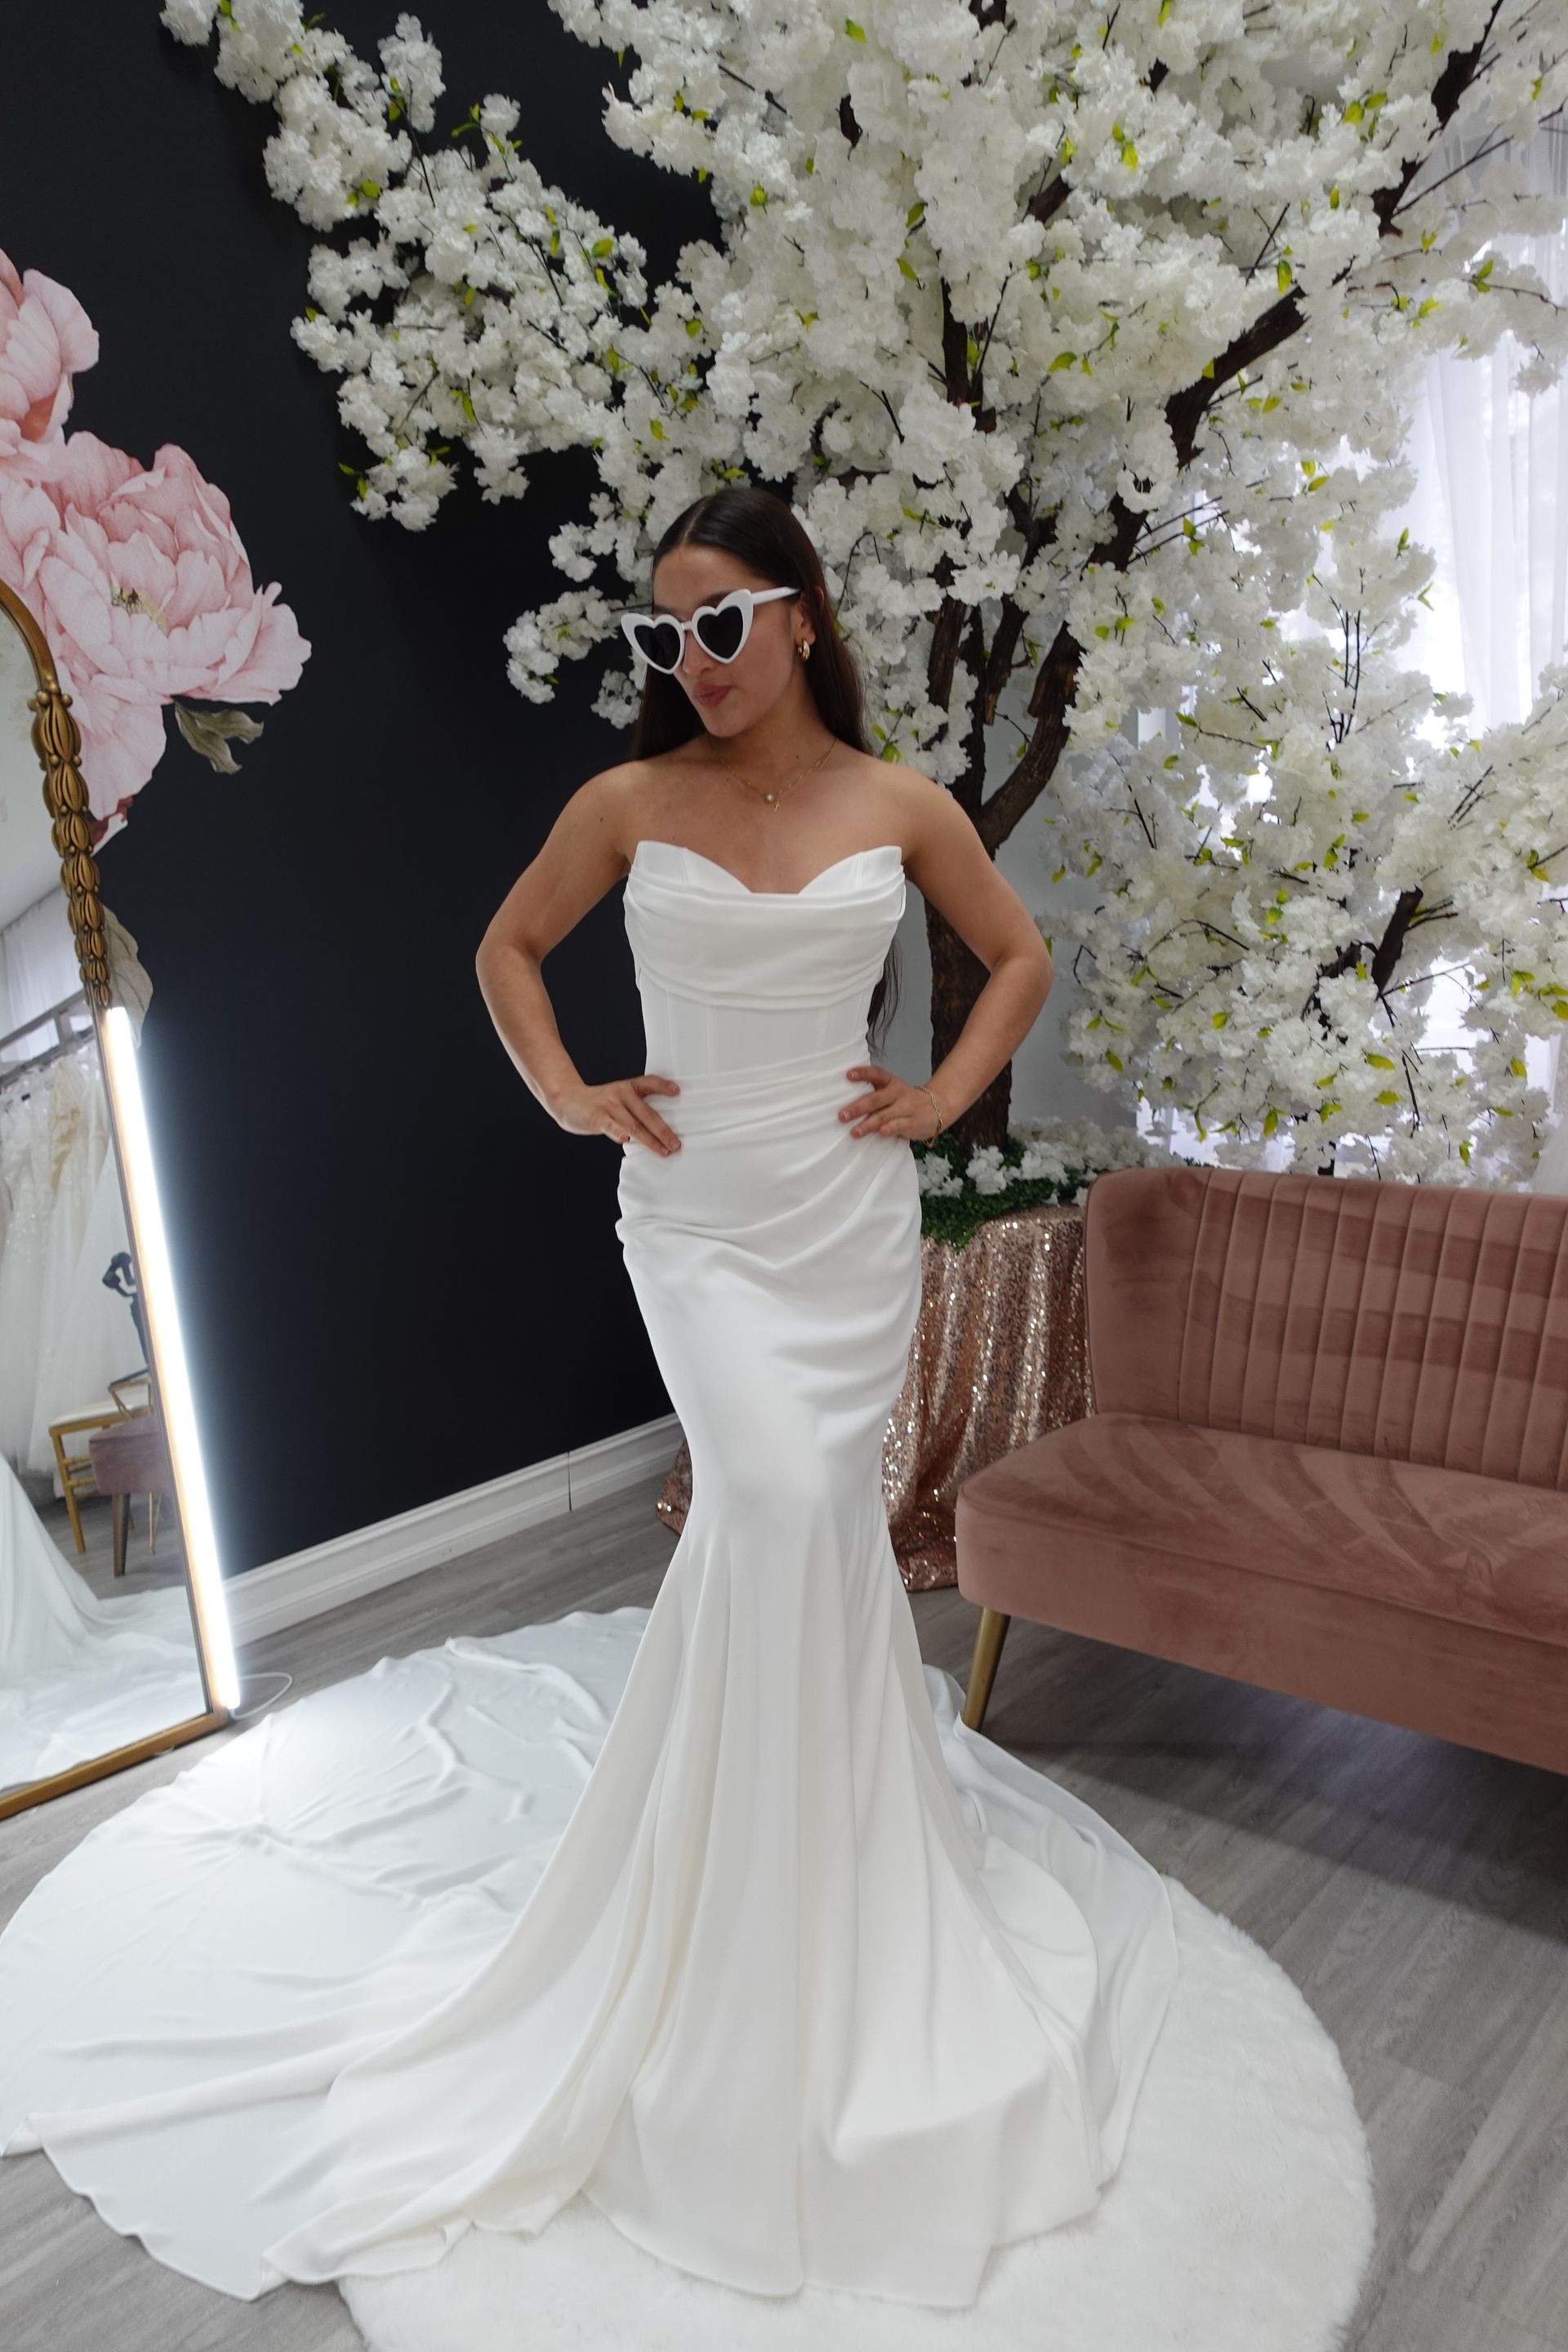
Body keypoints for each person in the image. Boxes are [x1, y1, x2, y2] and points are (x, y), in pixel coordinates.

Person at [0, 488, 1177, 2314]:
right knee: (777, 1507)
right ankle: (730, 1925)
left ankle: (820, 1877)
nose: (688, 663)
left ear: (800, 620)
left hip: (847, 1219)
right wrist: (570, 1098)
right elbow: (504, 955)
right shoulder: (628, 807)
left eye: (718, 624)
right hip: (700, 1227)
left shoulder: (905, 805)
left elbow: (1011, 956)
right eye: (661, 634)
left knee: (809, 1534)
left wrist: (944, 1098)